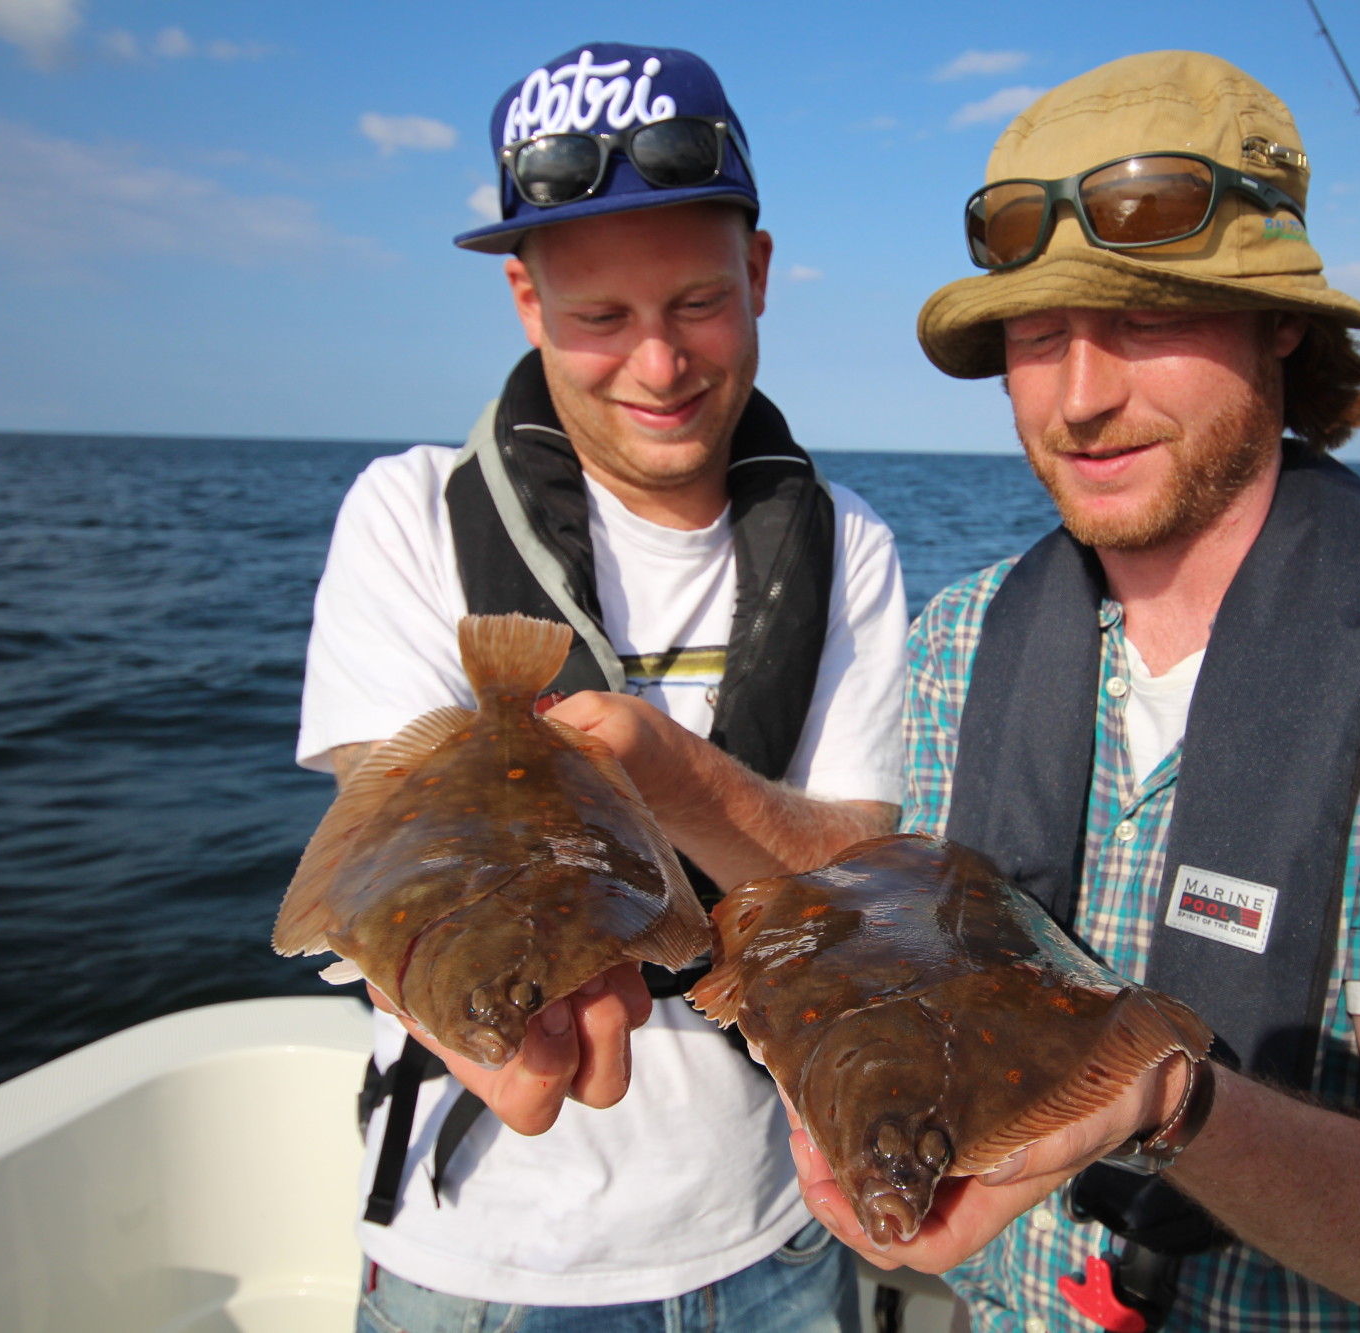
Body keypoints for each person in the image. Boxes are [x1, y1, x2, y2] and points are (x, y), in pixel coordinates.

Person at [784, 51, 1360, 1333]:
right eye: (1035, 335)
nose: (1080, 397)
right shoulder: (961, 638)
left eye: (1144, 320)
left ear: (1280, 323)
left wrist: (1160, 1096)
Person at [296, 42, 905, 1333]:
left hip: (779, 1222)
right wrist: (488, 1001)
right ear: (526, 302)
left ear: (758, 274)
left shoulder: (850, 541)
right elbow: (385, 836)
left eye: (695, 302)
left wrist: (668, 772)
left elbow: (865, 865)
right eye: (599, 318)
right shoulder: (408, 514)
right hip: (487, 1258)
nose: (659, 363)